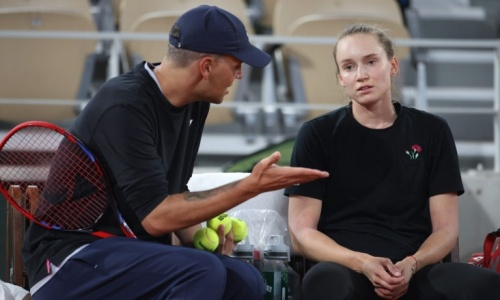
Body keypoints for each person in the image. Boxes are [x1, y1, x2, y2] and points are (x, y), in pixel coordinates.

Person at [22, 5, 329, 300]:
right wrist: (250, 186)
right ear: (206, 67)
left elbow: (174, 191)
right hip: (68, 259)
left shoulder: (196, 101)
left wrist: (198, 238)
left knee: (245, 279)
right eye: (236, 66)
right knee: (203, 272)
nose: (239, 76)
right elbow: (157, 217)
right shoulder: (124, 106)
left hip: (127, 253)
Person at [285, 23, 500, 300]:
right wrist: (363, 263)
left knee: (487, 286)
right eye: (349, 67)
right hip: (345, 268)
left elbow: (446, 229)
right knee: (324, 283)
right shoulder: (316, 134)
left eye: (371, 62)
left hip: (416, 269)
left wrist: (411, 264)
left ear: (393, 65)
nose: (361, 75)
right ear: (340, 78)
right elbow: (302, 233)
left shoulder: (432, 130)